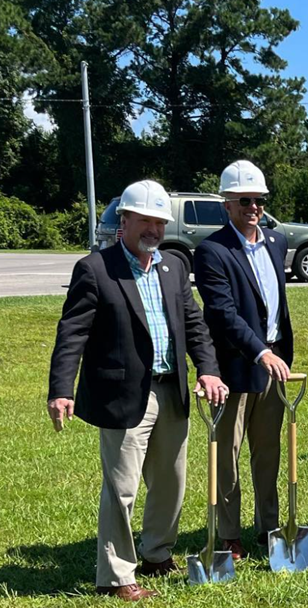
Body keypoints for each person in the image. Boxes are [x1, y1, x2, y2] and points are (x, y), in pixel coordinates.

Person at [47, 180, 225, 601]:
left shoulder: (174, 267)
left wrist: (209, 369)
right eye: (145, 220)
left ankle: (156, 553)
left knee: (170, 482)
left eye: (160, 222)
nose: (154, 229)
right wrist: (60, 389)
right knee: (122, 488)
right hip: (124, 395)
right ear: (124, 220)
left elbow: (194, 324)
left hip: (171, 390)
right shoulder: (96, 268)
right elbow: (72, 333)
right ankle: (116, 575)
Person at [193, 160, 293, 559]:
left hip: (274, 366)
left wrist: (275, 351)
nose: (254, 207)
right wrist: (260, 351)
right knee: (227, 455)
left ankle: (269, 527)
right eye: (245, 201)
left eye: (259, 200)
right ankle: (230, 533)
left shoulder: (276, 242)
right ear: (228, 204)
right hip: (235, 368)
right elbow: (221, 312)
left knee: (268, 453)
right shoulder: (213, 250)